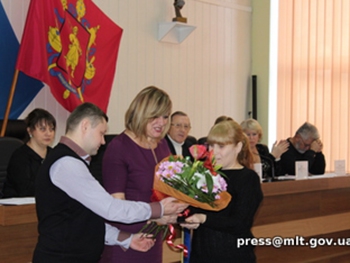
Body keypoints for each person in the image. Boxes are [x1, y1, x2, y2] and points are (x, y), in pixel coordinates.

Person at [32, 102, 187, 263]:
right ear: (85, 126)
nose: (103, 141)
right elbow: (111, 209)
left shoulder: (73, 161)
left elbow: (86, 219)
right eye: (101, 133)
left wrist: (126, 239)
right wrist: (159, 209)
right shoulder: (66, 164)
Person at [100, 86, 185, 263]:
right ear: (141, 113)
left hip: (153, 241)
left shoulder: (162, 145)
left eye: (165, 116)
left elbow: (171, 190)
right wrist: (156, 217)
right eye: (156, 116)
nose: (162, 122)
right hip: (126, 244)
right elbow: (117, 209)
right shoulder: (119, 147)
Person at [181, 120, 263, 263]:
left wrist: (203, 218)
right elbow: (190, 209)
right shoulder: (204, 174)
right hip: (202, 255)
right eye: (211, 146)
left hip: (234, 256)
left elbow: (240, 223)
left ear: (238, 147)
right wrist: (184, 217)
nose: (214, 152)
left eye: (221, 146)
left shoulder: (248, 179)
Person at [2, 108, 56, 197]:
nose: (48, 133)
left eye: (51, 129)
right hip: (18, 208)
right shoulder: (20, 157)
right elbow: (26, 191)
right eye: (42, 129)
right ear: (30, 130)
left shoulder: (54, 154)